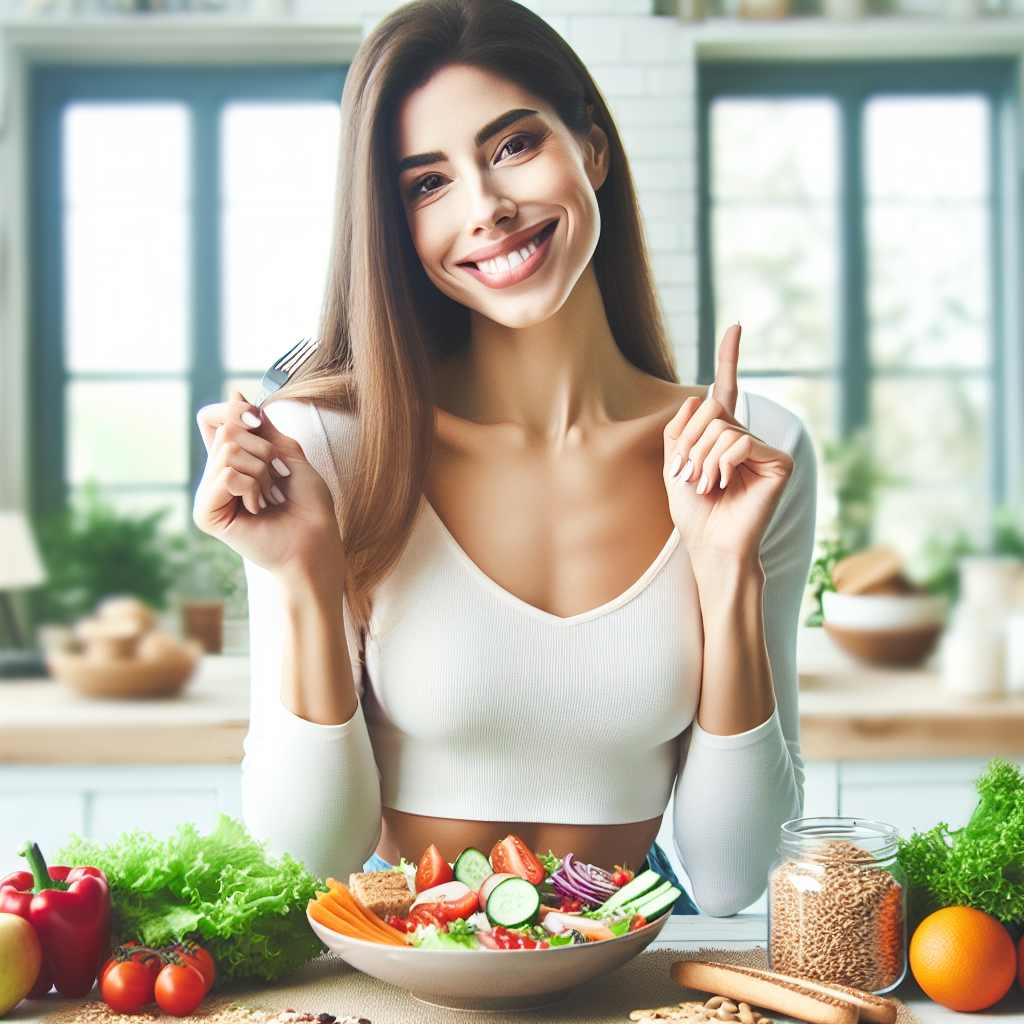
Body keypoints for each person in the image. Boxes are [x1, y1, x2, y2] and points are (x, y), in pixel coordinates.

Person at [194, 0, 815, 917]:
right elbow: (305, 858)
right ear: (394, 223)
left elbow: (732, 876)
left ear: (592, 148)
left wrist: (725, 569)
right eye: (427, 183)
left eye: (514, 145)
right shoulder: (327, 447)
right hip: (407, 982)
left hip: (626, 981)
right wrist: (302, 577)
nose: (486, 209)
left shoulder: (749, 451)